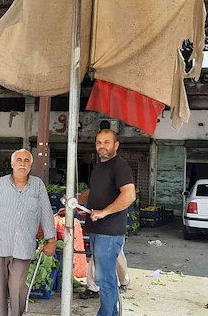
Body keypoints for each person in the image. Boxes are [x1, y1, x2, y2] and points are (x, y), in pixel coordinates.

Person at [0, 149, 57, 316]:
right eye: (19, 160)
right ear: (12, 164)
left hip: (24, 246)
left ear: (30, 165)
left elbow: (46, 211)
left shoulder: (37, 185)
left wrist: (51, 240)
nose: (22, 163)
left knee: (16, 287)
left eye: (26, 161)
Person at [77, 129, 135, 316]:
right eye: (99, 142)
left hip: (109, 232)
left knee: (105, 279)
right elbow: (93, 191)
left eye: (107, 142)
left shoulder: (119, 166)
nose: (102, 146)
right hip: (96, 230)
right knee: (103, 278)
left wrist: (104, 212)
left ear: (116, 145)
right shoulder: (98, 166)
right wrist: (76, 199)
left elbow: (129, 195)